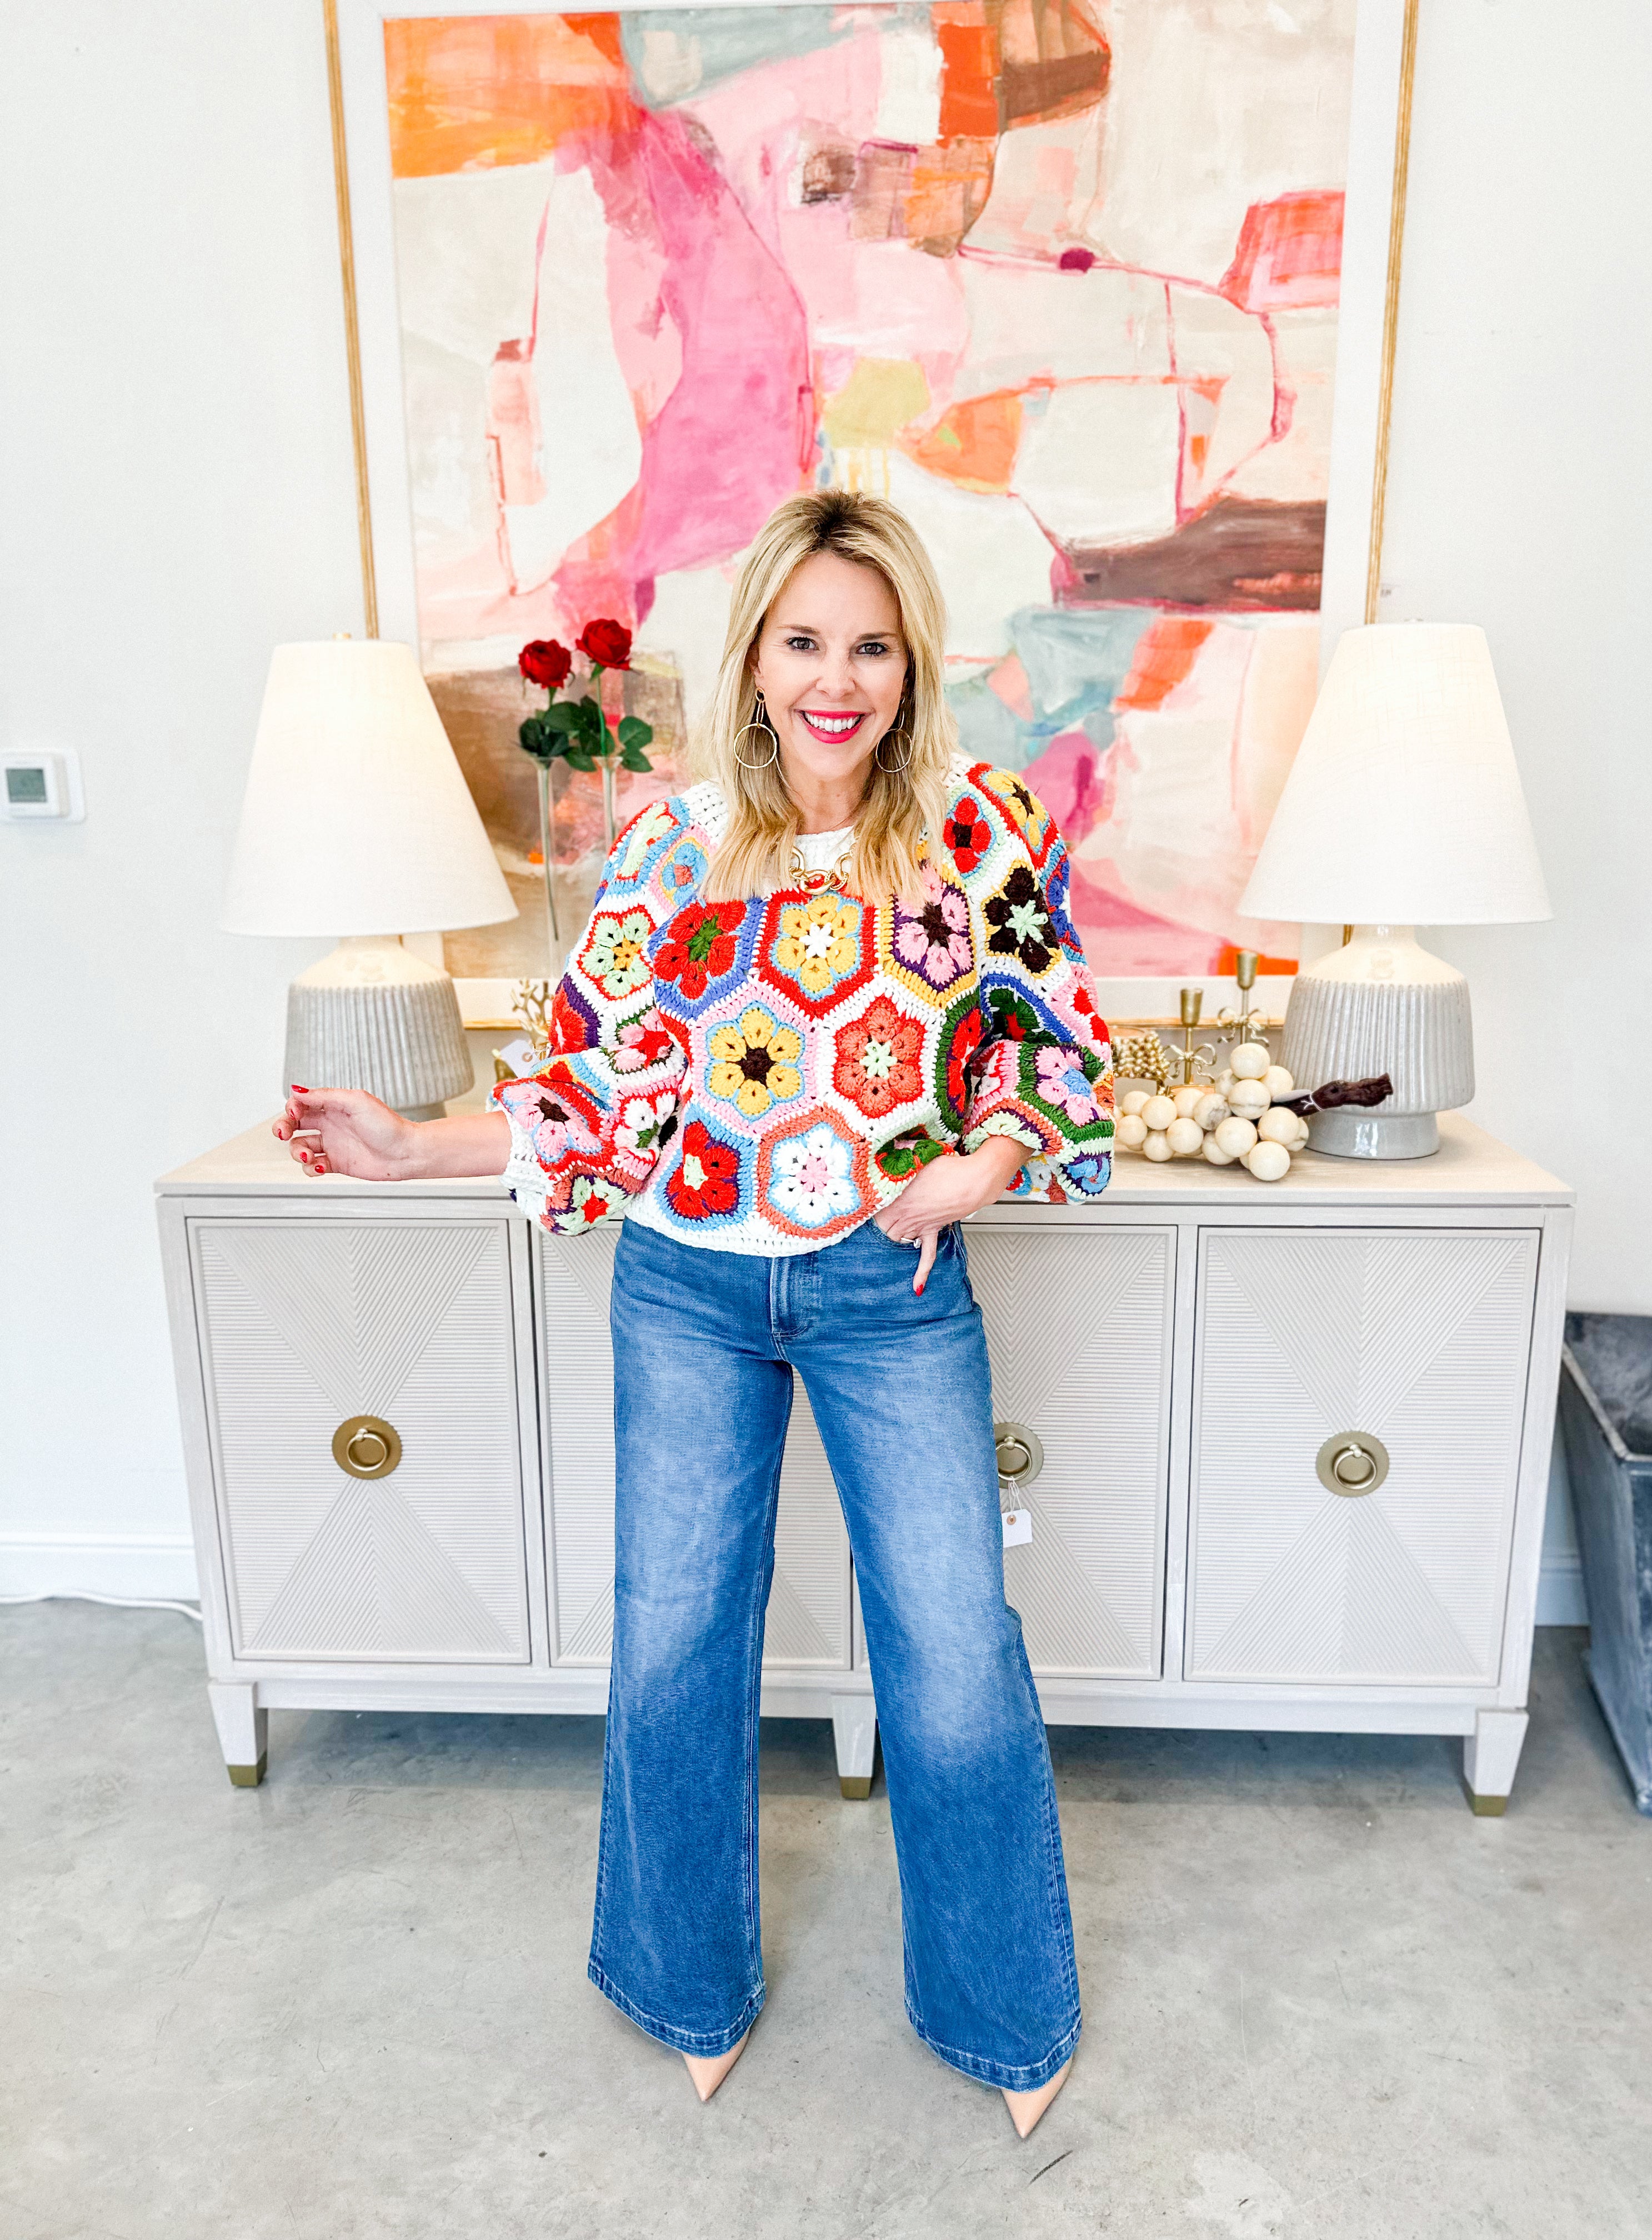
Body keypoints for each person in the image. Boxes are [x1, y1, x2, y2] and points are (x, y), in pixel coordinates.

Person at [276, 491, 1115, 2138]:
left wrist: (984, 1164)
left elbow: (1046, 1036)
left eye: (871, 647)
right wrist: (416, 1148)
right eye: (806, 642)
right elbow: (597, 1084)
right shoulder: (675, 845)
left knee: (954, 1647)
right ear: (753, 658)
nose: (837, 681)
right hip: (686, 1289)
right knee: (675, 1634)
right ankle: (684, 1981)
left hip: (893, 1292)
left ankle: (1003, 2006)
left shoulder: (980, 828)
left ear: (911, 663)